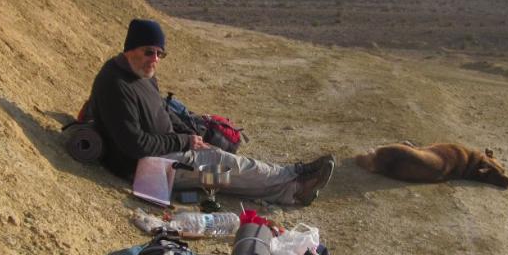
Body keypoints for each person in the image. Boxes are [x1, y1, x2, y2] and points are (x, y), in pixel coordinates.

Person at [88, 18, 334, 206]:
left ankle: (293, 190)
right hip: (146, 166)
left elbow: (162, 109)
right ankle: (294, 173)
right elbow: (135, 145)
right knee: (224, 165)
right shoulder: (115, 84)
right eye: (148, 51)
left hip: (168, 149)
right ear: (130, 49)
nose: (155, 59)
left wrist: (192, 135)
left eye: (159, 53)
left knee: (225, 168)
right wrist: (184, 141)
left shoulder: (141, 73)